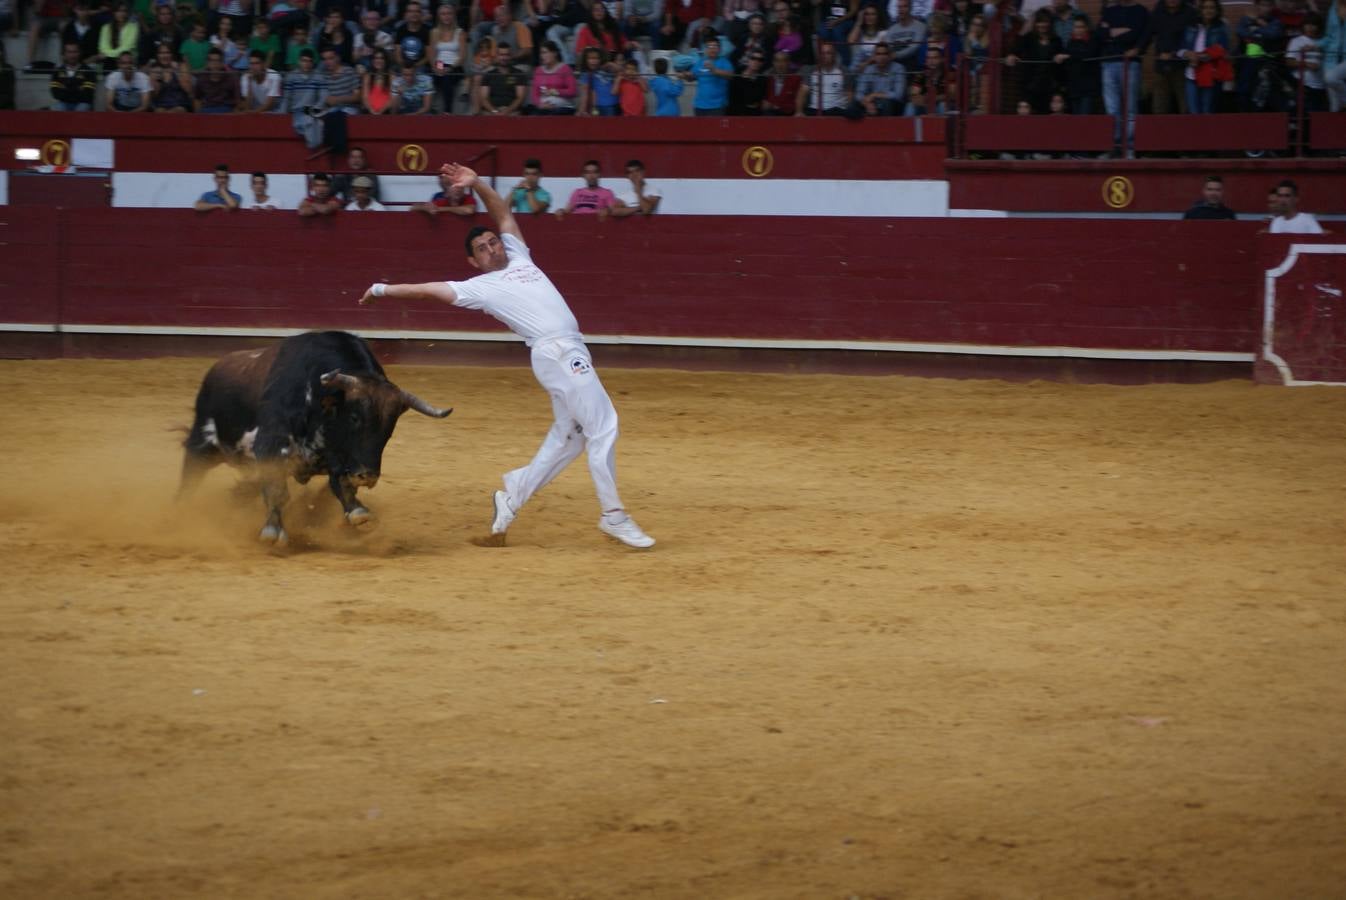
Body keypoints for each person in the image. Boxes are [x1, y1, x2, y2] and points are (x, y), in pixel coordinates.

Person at [357, 162, 656, 549]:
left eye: (492, 242)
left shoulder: (519, 256)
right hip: (557, 352)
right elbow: (428, 290)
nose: (490, 248)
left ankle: (510, 499)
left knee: (569, 439)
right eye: (481, 249)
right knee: (603, 426)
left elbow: (503, 214)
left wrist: (477, 183)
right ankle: (613, 516)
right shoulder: (479, 287)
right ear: (473, 262)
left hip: (568, 350)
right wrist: (382, 290)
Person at [1097, 0, 1149, 155]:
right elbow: (1100, 34)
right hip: (1108, 62)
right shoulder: (1109, 10)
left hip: (1130, 63)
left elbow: (1138, 34)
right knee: (1112, 109)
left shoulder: (1140, 11)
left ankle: (1130, 148)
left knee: (1130, 108)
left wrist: (1113, 32)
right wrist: (1122, 31)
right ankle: (1115, 146)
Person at [1179, 0, 1232, 114]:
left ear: (1217, 10)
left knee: (1207, 111)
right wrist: (1187, 54)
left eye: (1212, 8)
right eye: (1205, 7)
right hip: (1191, 75)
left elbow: (1224, 50)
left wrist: (1201, 57)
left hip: (1210, 76)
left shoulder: (1221, 27)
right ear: (1201, 10)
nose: (1208, 10)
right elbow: (1180, 49)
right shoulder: (1191, 26)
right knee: (1193, 112)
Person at [854, 41, 904, 115]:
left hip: (892, 104)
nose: (881, 57)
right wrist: (867, 104)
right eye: (878, 54)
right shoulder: (869, 69)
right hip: (873, 103)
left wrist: (874, 95)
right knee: (853, 104)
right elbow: (859, 93)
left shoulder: (898, 68)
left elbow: (898, 95)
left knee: (886, 103)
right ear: (874, 57)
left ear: (890, 56)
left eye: (885, 54)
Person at [477, 41, 527, 113]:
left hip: (512, 112)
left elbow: (520, 98)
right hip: (492, 112)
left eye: (507, 55)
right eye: (501, 55)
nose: (504, 58)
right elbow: (484, 99)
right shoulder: (488, 75)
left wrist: (506, 111)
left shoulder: (518, 74)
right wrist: (495, 111)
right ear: (497, 56)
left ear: (510, 56)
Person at [528, 40, 577, 113]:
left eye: (545, 52)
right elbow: (534, 94)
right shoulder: (538, 70)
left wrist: (556, 92)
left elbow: (573, 91)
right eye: (541, 53)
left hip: (562, 107)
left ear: (555, 53)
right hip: (543, 107)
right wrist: (540, 104)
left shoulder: (565, 69)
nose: (542, 56)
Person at [50, 42, 98, 110]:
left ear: (80, 53)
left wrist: (66, 88)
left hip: (82, 103)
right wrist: (78, 88)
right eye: (69, 52)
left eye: (75, 52)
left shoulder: (88, 71)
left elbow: (88, 94)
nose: (72, 55)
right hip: (63, 103)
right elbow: (55, 93)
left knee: (82, 109)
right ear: (64, 54)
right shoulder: (57, 71)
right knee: (58, 108)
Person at [693, 36, 734, 114]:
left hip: (717, 106)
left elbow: (730, 75)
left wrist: (714, 70)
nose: (712, 49)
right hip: (699, 105)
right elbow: (692, 76)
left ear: (719, 49)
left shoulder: (725, 62)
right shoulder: (700, 62)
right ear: (706, 49)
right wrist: (685, 74)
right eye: (709, 46)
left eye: (715, 46)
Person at [148, 44, 194, 112]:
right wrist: (158, 79)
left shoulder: (181, 66)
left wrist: (178, 72)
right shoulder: (154, 69)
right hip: (161, 105)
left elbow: (189, 90)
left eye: (167, 53)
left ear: (172, 54)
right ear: (157, 56)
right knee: (159, 111)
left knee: (178, 110)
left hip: (180, 105)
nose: (164, 56)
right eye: (161, 53)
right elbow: (153, 96)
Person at [412, 170, 478, 215]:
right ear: (447, 193)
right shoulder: (441, 200)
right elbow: (413, 208)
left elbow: (468, 210)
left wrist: (440, 209)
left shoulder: (469, 198)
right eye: (455, 187)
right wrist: (426, 208)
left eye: (461, 187)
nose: (458, 190)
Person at [194, 46, 239, 112]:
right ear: (208, 63)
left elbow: (237, 101)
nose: (215, 64)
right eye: (212, 61)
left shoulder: (231, 78)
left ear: (222, 63)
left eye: (218, 61)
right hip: (206, 111)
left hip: (226, 112)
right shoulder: (201, 78)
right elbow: (197, 99)